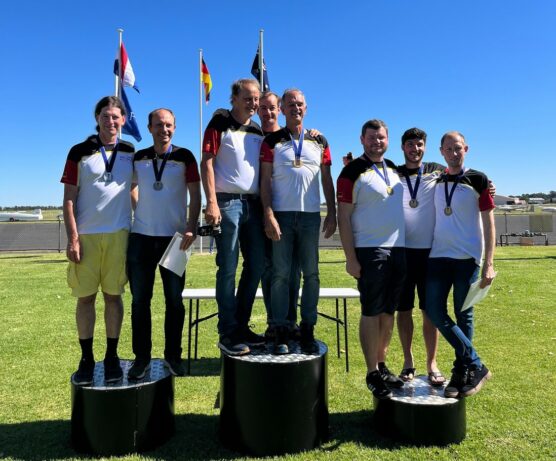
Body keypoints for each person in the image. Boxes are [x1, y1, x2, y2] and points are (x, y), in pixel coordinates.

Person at [61, 96, 135, 385]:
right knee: (86, 298)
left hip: (119, 235)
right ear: (97, 118)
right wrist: (73, 238)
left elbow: (134, 191)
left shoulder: (130, 151)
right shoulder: (78, 151)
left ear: (123, 120)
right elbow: (69, 199)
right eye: (105, 116)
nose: (111, 121)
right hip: (87, 236)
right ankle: (86, 358)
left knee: (114, 297)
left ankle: (112, 356)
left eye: (116, 116)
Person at [260, 88, 336, 354]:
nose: (296, 108)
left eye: (300, 103)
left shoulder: (320, 141)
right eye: (290, 104)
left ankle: (307, 329)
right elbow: (265, 180)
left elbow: (327, 179)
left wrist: (332, 212)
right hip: (281, 215)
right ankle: (281, 329)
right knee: (280, 274)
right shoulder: (272, 142)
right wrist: (268, 213)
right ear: (282, 109)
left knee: (311, 274)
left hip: (310, 217)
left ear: (306, 108)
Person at [127, 108, 201, 379]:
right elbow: (131, 186)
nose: (164, 129)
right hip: (142, 238)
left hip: (176, 239)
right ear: (149, 128)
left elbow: (196, 193)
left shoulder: (185, 157)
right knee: (140, 302)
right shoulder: (139, 158)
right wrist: (140, 208)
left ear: (175, 127)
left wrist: (191, 226)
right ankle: (142, 359)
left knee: (174, 302)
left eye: (168, 125)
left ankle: (173, 356)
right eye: (158, 125)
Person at [337, 119, 405, 399]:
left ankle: (382, 363)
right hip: (369, 249)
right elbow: (343, 217)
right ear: (362, 140)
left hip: (398, 248)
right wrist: (350, 257)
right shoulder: (351, 172)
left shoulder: (395, 169)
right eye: (372, 137)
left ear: (388, 140)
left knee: (389, 312)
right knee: (371, 311)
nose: (377, 142)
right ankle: (371, 372)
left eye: (381, 137)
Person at [425, 131, 495, 398]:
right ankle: (475, 363)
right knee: (434, 310)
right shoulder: (435, 178)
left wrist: (489, 263)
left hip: (467, 258)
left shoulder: (479, 179)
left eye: (458, 148)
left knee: (463, 314)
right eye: (449, 149)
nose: (454, 153)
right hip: (438, 256)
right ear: (441, 152)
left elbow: (489, 223)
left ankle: (461, 371)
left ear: (466, 149)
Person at [201, 79, 266, 356]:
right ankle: (228, 331)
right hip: (227, 203)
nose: (253, 103)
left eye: (256, 99)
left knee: (257, 265)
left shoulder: (257, 129)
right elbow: (207, 162)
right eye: (248, 98)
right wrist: (211, 202)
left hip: (254, 204)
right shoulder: (219, 123)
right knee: (228, 267)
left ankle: (240, 325)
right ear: (234, 98)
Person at [395, 128, 446, 386]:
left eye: (419, 144)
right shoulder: (392, 172)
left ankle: (432, 363)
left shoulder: (437, 170)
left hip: (430, 254)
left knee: (430, 311)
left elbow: (462, 176)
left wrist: (487, 186)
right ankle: (408, 361)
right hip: (402, 252)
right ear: (402, 147)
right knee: (403, 310)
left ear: (425, 147)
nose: (415, 149)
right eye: (410, 144)